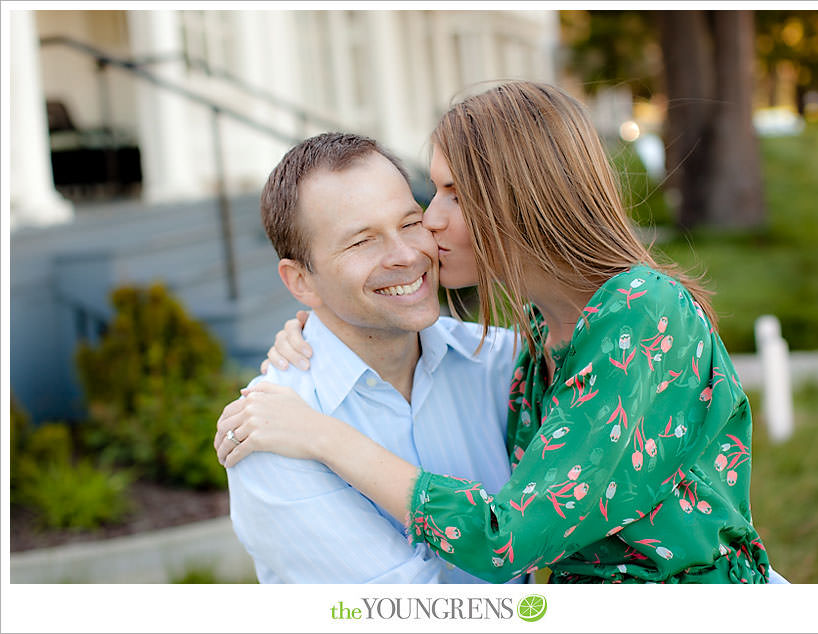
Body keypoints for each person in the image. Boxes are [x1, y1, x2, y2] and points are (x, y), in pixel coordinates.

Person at [218, 81, 773, 584]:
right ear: (301, 282)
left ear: (524, 197)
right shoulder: (533, 341)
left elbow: (506, 539)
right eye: (362, 240)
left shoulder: (637, 316)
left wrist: (323, 436)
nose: (427, 228)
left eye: (444, 198)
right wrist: (314, 332)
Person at [218, 131, 523, 583]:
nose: (406, 256)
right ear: (301, 281)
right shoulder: (267, 434)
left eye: (409, 222)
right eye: (362, 241)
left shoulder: (501, 362)